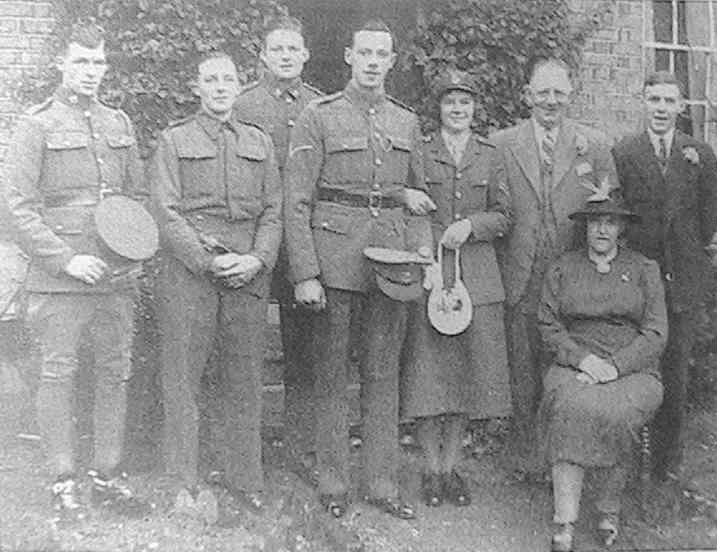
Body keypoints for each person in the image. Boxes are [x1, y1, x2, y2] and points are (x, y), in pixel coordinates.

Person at [284, 19, 434, 519]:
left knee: (383, 374)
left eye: (382, 54)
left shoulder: (405, 121)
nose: (372, 62)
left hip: (390, 265)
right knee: (330, 375)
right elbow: (297, 199)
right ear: (349, 56)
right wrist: (305, 271)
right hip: (334, 262)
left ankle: (382, 484)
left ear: (392, 61)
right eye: (364, 53)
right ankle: (332, 481)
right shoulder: (318, 115)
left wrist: (422, 257)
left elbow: (418, 199)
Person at [2, 21, 147, 515]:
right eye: (81, 61)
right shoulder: (35, 124)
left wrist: (128, 257)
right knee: (58, 373)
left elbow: (136, 201)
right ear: (60, 64)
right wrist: (67, 260)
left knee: (115, 373)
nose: (91, 71)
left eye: (98, 62)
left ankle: (107, 475)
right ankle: (63, 479)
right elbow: (18, 208)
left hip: (114, 277)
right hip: (60, 279)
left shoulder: (119, 124)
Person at [149, 51, 281, 516]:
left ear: (239, 86)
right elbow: (164, 211)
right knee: (183, 379)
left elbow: (273, 210)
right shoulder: (174, 139)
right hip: (190, 277)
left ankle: (244, 477)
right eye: (211, 79)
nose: (221, 87)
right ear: (197, 87)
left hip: (246, 274)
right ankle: (182, 479)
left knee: (243, 379)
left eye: (228, 79)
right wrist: (205, 262)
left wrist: (259, 259)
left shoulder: (258, 142)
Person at [491, 58, 618, 472]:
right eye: (542, 92)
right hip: (522, 274)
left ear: (570, 94)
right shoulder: (502, 143)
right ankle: (527, 458)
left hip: (571, 278)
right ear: (527, 95)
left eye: (558, 93)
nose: (551, 101)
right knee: (522, 369)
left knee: (566, 367)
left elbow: (608, 211)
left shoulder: (594, 145)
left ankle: (564, 459)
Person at [401, 70, 512, 508]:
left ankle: (453, 467)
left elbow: (505, 215)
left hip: (477, 277)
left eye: (465, 101)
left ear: (475, 107)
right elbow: (408, 209)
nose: (458, 109)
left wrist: (472, 225)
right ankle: (430, 469)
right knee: (430, 378)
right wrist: (425, 252)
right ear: (439, 107)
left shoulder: (490, 154)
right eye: (450, 102)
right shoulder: (422, 152)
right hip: (431, 273)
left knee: (466, 377)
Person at [536, 191, 666, 551]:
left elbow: (656, 331)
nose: (602, 230)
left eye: (610, 222)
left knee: (618, 410)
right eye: (595, 222)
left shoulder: (643, 269)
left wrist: (616, 366)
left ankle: (609, 510)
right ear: (585, 228)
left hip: (633, 368)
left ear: (622, 228)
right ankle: (565, 518)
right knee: (569, 406)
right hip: (573, 363)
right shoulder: (563, 267)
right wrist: (582, 360)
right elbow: (547, 324)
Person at [612, 71, 717, 481]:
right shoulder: (625, 152)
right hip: (640, 284)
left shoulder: (700, 155)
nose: (660, 108)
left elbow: (708, 221)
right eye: (653, 99)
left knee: (675, 376)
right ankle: (630, 461)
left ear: (680, 106)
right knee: (636, 369)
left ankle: (665, 468)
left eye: (668, 101)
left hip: (683, 285)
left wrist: (687, 259)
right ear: (643, 102)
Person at [232, 16, 323, 473]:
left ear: (305, 54)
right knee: (244, 347)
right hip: (255, 238)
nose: (286, 56)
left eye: (294, 49)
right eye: (277, 49)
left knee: (304, 352)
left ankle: (300, 449)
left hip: (302, 244)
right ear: (263, 55)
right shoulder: (243, 104)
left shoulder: (321, 106)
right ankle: (245, 451)